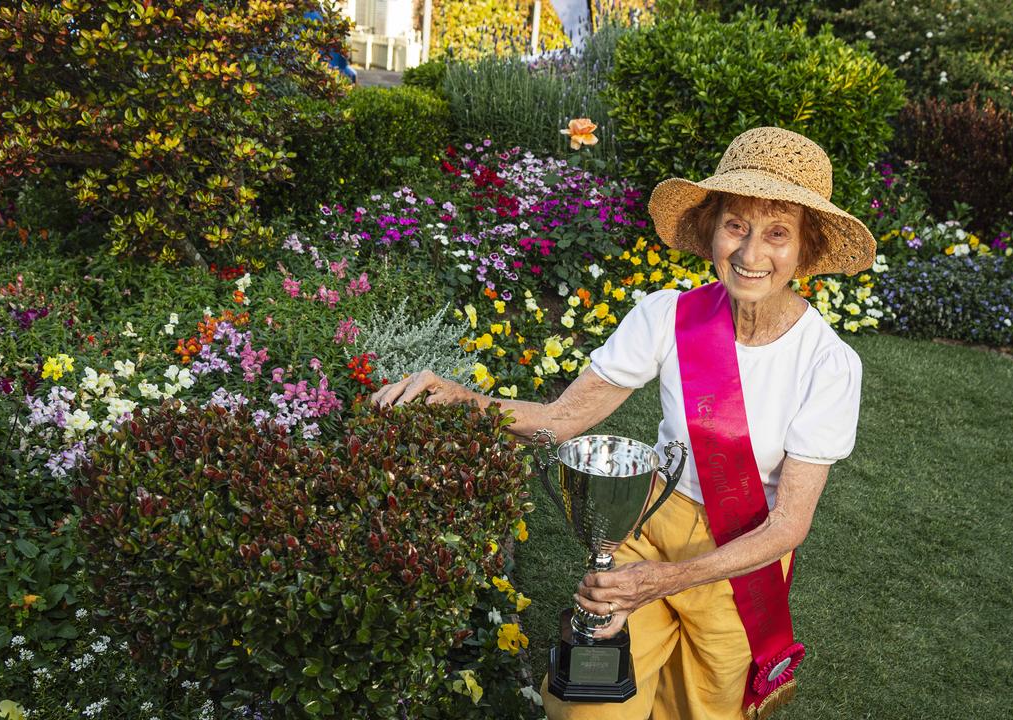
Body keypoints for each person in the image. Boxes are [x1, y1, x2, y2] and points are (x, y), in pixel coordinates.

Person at [372, 127, 875, 720]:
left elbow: (788, 526)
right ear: (712, 226)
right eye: (736, 225)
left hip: (737, 569)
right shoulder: (667, 317)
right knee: (587, 707)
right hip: (647, 533)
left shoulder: (830, 365)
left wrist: (665, 581)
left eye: (777, 234)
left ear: (806, 251)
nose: (749, 254)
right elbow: (561, 421)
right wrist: (461, 398)